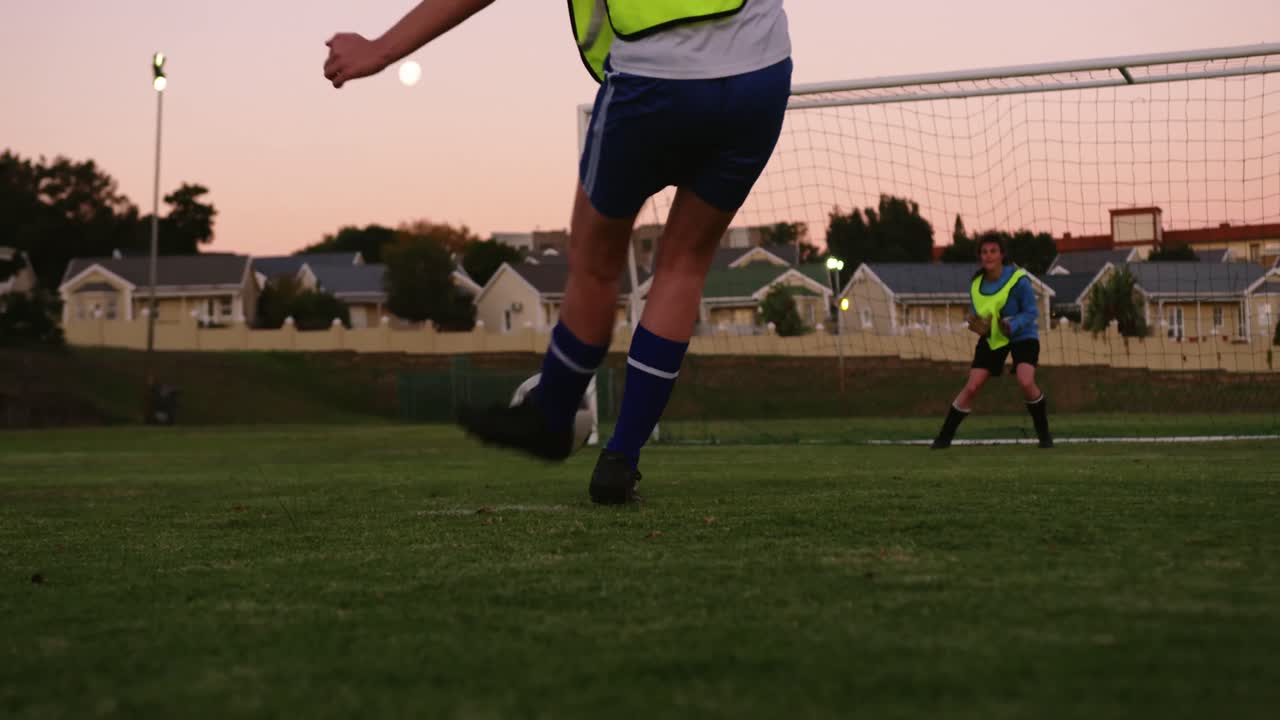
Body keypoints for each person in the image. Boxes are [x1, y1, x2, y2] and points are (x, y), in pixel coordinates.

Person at [324, 1, 793, 504]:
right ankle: (621, 459)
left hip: (656, 77)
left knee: (595, 264)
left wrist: (381, 49)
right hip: (760, 74)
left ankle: (552, 412)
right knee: (684, 264)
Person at [931, 233, 1053, 449]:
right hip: (994, 338)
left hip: (1023, 335)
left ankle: (1044, 436)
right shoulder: (976, 284)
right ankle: (944, 438)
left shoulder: (1018, 279)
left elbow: (1031, 312)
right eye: (984, 252)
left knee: (1026, 381)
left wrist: (1012, 325)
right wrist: (979, 326)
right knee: (973, 386)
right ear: (980, 256)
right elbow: (980, 314)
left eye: (993, 251)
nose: (988, 256)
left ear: (1002, 254)